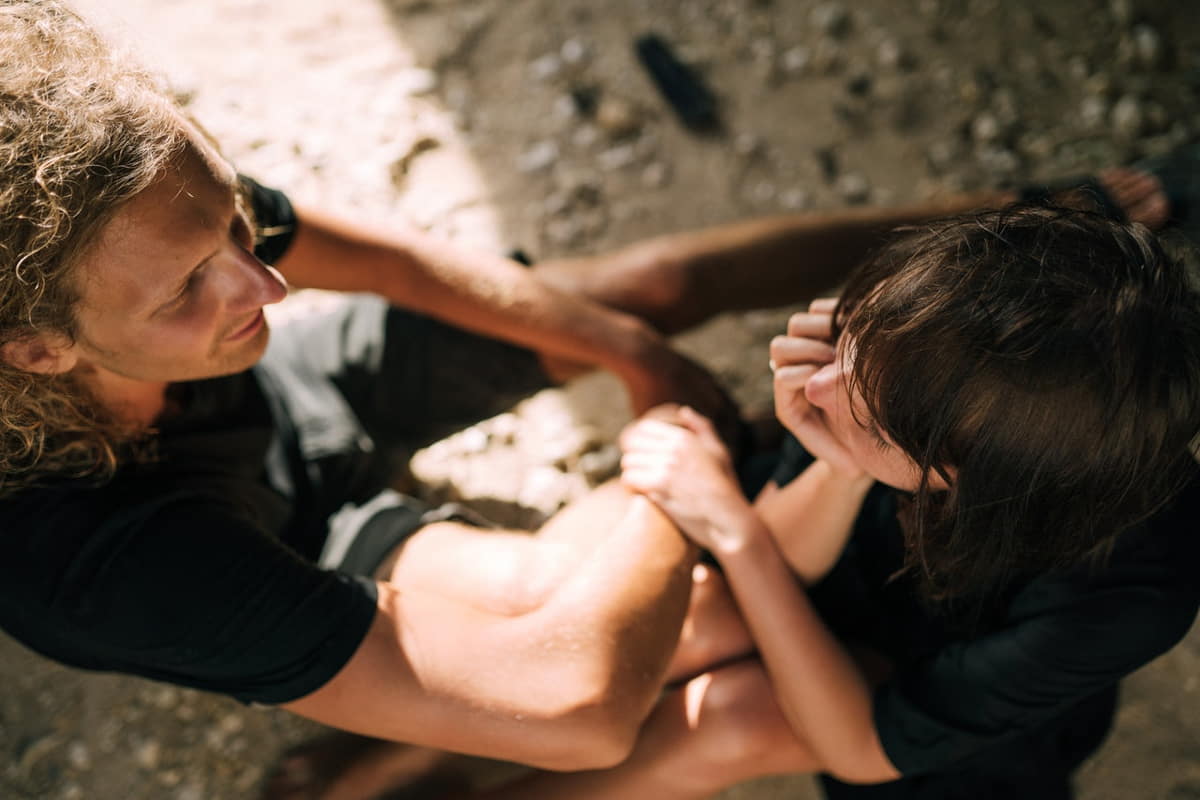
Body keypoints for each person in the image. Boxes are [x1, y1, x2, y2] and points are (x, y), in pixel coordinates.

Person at [1, 3, 1194, 799]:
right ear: (36, 349)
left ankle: (1079, 205)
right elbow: (572, 698)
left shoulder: (142, 198)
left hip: (288, 423)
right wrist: (682, 477)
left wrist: (634, 344)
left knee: (664, 328)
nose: (268, 279)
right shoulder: (99, 566)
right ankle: (412, 755)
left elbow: (394, 267)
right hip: (232, 536)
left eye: (237, 225)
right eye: (189, 288)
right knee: (635, 635)